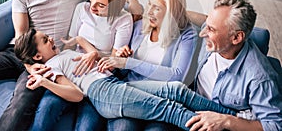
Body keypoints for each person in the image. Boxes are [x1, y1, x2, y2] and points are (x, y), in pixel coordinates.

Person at [15, 28, 237, 131]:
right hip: (104, 93)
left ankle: (233, 117)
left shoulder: (62, 54)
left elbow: (95, 56)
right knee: (170, 109)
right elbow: (76, 94)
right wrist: (45, 82)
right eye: (45, 40)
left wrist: (81, 41)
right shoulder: (51, 67)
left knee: (177, 89)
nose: (51, 38)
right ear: (37, 56)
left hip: (115, 85)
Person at [0, 0, 104, 131]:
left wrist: (134, 7)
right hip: (21, 52)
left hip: (49, 61)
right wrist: (28, 65)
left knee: (21, 103)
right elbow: (21, 34)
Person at [33, 0, 134, 130]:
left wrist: (93, 53)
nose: (92, 7)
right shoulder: (82, 9)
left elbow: (113, 64)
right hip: (71, 72)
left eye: (101, 5)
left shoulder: (123, 19)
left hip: (99, 76)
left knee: (87, 126)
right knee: (47, 107)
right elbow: (70, 45)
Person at [97, 0, 198, 130]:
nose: (149, 12)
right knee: (122, 128)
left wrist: (128, 63)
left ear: (171, 13)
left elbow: (177, 76)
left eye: (156, 8)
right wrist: (122, 59)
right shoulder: (139, 26)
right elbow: (124, 73)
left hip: (161, 99)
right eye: (149, 4)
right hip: (131, 94)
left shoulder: (187, 35)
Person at [185, 0, 282, 130]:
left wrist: (227, 121)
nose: (203, 34)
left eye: (211, 29)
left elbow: (275, 125)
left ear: (236, 37)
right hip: (189, 101)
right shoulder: (217, 38)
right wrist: (174, 10)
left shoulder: (259, 78)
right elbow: (204, 21)